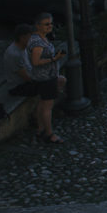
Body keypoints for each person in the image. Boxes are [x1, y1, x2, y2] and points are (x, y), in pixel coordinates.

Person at [28, 13, 67, 144]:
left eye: (51, 23)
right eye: (46, 24)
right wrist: (53, 59)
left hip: (48, 76)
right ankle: (49, 133)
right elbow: (35, 61)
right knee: (47, 105)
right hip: (45, 78)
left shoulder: (42, 38)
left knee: (44, 103)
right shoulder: (37, 41)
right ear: (38, 26)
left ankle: (40, 128)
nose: (50, 26)